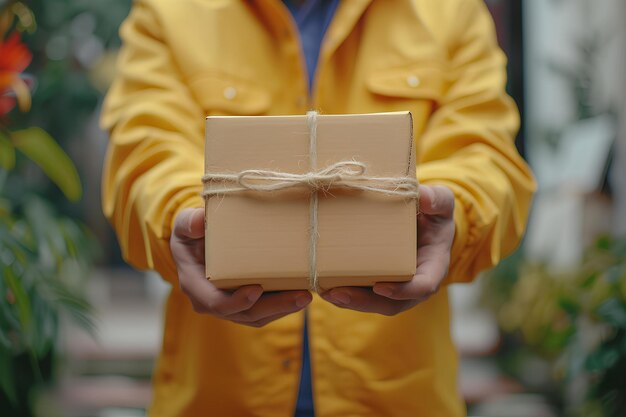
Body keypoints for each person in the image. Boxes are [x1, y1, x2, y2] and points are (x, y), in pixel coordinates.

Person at [101, 0, 536, 416]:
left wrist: (456, 215)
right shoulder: (170, 11)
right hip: (217, 400)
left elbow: (486, 155)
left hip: (396, 403)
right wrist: (183, 219)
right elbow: (146, 153)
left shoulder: (448, 10)